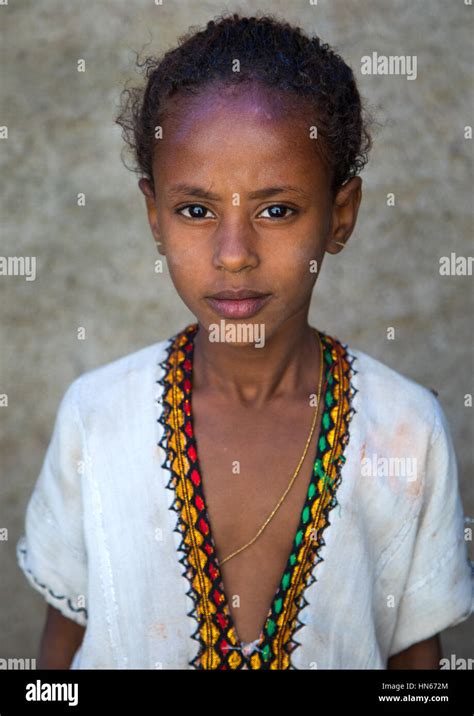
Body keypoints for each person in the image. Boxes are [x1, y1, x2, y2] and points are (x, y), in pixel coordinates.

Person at [17, 13, 473, 670]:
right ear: (154, 215)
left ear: (340, 217)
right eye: (196, 210)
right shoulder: (97, 416)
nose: (234, 254)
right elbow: (62, 649)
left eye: (277, 209)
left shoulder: (404, 429)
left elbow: (415, 663)